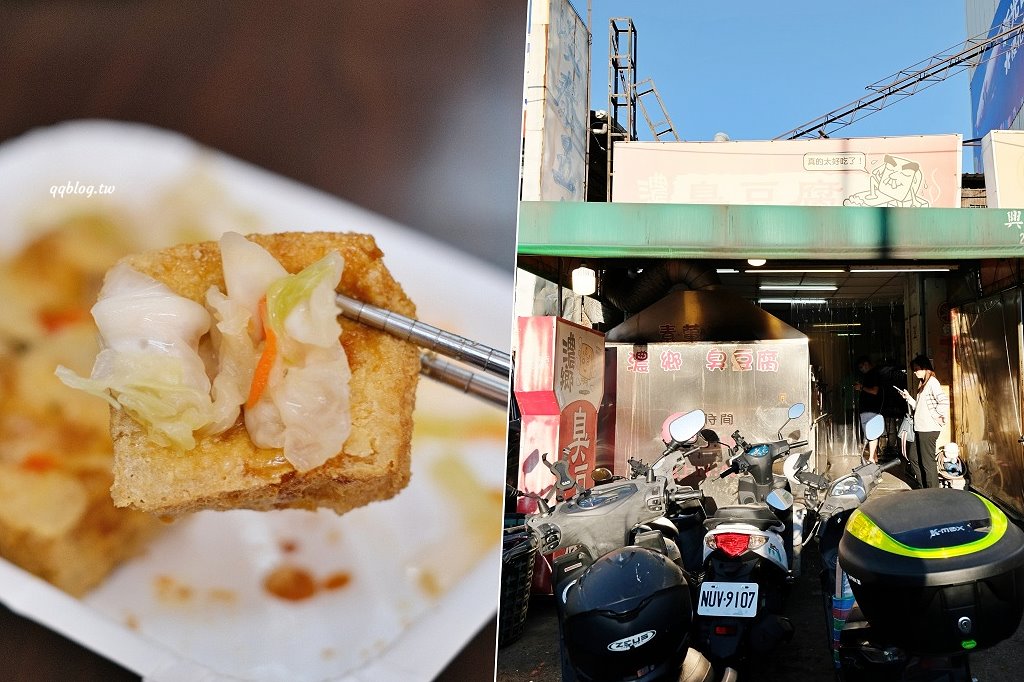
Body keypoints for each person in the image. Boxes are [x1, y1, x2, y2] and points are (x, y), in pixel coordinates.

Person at [898, 354, 949, 489]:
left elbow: (943, 401)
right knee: (914, 457)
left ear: (925, 368)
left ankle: (932, 491)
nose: (915, 372)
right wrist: (908, 398)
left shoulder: (932, 382)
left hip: (928, 428)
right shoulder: (924, 385)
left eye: (917, 369)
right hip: (920, 428)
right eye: (914, 370)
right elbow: (920, 407)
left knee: (927, 462)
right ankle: (923, 487)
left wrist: (936, 416)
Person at [853, 355, 883, 463]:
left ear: (866, 364)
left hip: (870, 409)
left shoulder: (873, 374)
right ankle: (873, 458)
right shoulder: (871, 375)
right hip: (868, 408)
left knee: (871, 432)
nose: (861, 370)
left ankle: (871, 458)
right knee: (870, 432)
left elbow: (874, 391)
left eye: (861, 367)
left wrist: (861, 388)